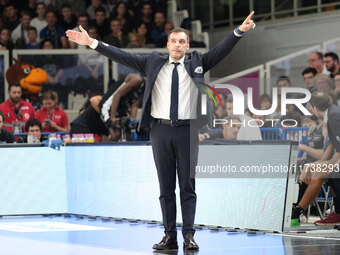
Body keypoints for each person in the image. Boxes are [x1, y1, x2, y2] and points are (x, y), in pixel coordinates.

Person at [66, 11, 256, 250]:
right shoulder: (152, 61)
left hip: (187, 130)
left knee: (187, 186)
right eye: (174, 41)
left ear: (187, 45)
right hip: (160, 130)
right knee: (165, 187)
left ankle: (189, 235)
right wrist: (92, 42)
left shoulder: (198, 62)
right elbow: (120, 54)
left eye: (182, 41)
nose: (178, 45)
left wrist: (239, 31)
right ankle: (169, 235)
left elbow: (221, 50)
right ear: (168, 44)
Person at [300, 92, 340, 226]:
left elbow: (338, 153)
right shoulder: (331, 115)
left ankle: (298, 211)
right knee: (321, 172)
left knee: (333, 172)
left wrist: (318, 165)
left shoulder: (334, 116)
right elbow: (331, 146)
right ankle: (298, 210)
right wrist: (316, 164)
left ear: (315, 108)